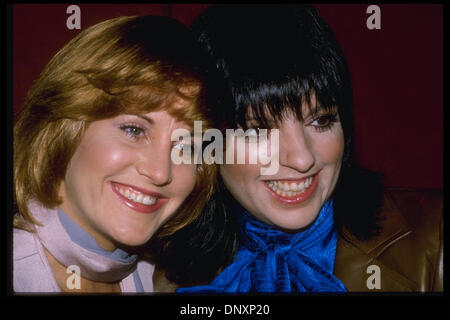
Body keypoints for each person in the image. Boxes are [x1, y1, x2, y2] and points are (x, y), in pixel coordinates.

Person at [152, 4, 443, 292]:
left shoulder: (434, 240)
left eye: (321, 120)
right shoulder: (160, 274)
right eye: (257, 130)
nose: (302, 158)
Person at [13, 15, 221, 293]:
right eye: (134, 130)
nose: (160, 172)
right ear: (62, 129)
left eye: (186, 146)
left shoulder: (148, 275)